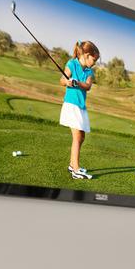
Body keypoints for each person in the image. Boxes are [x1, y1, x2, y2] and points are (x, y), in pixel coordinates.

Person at [59, 40, 100, 180]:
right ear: (87, 55)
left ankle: (72, 165)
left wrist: (76, 82)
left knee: (81, 137)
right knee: (77, 137)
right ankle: (76, 170)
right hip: (71, 105)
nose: (94, 63)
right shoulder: (72, 64)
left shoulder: (89, 71)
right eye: (94, 60)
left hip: (81, 107)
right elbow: (62, 80)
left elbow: (88, 86)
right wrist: (67, 81)